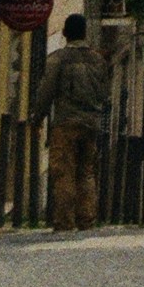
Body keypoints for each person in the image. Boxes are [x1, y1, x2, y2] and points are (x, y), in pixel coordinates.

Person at [34, 13, 111, 234]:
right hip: (91, 123)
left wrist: (37, 118)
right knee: (86, 172)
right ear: (85, 33)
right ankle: (86, 219)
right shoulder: (98, 60)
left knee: (63, 172)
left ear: (66, 33)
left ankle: (65, 222)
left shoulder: (58, 59)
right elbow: (104, 93)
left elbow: (46, 92)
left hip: (66, 122)